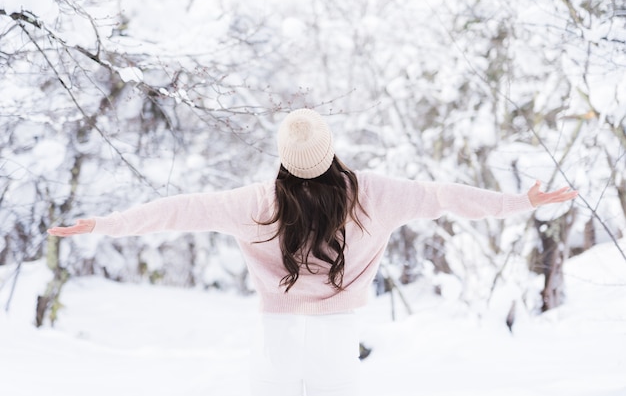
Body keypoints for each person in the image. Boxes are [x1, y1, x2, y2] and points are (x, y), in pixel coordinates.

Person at [48, 108, 578, 396]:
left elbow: (179, 209)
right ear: (331, 151)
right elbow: (445, 197)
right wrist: (518, 201)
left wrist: (105, 225)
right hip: (338, 333)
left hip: (275, 335)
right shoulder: (374, 193)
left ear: (284, 159)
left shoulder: (254, 202)